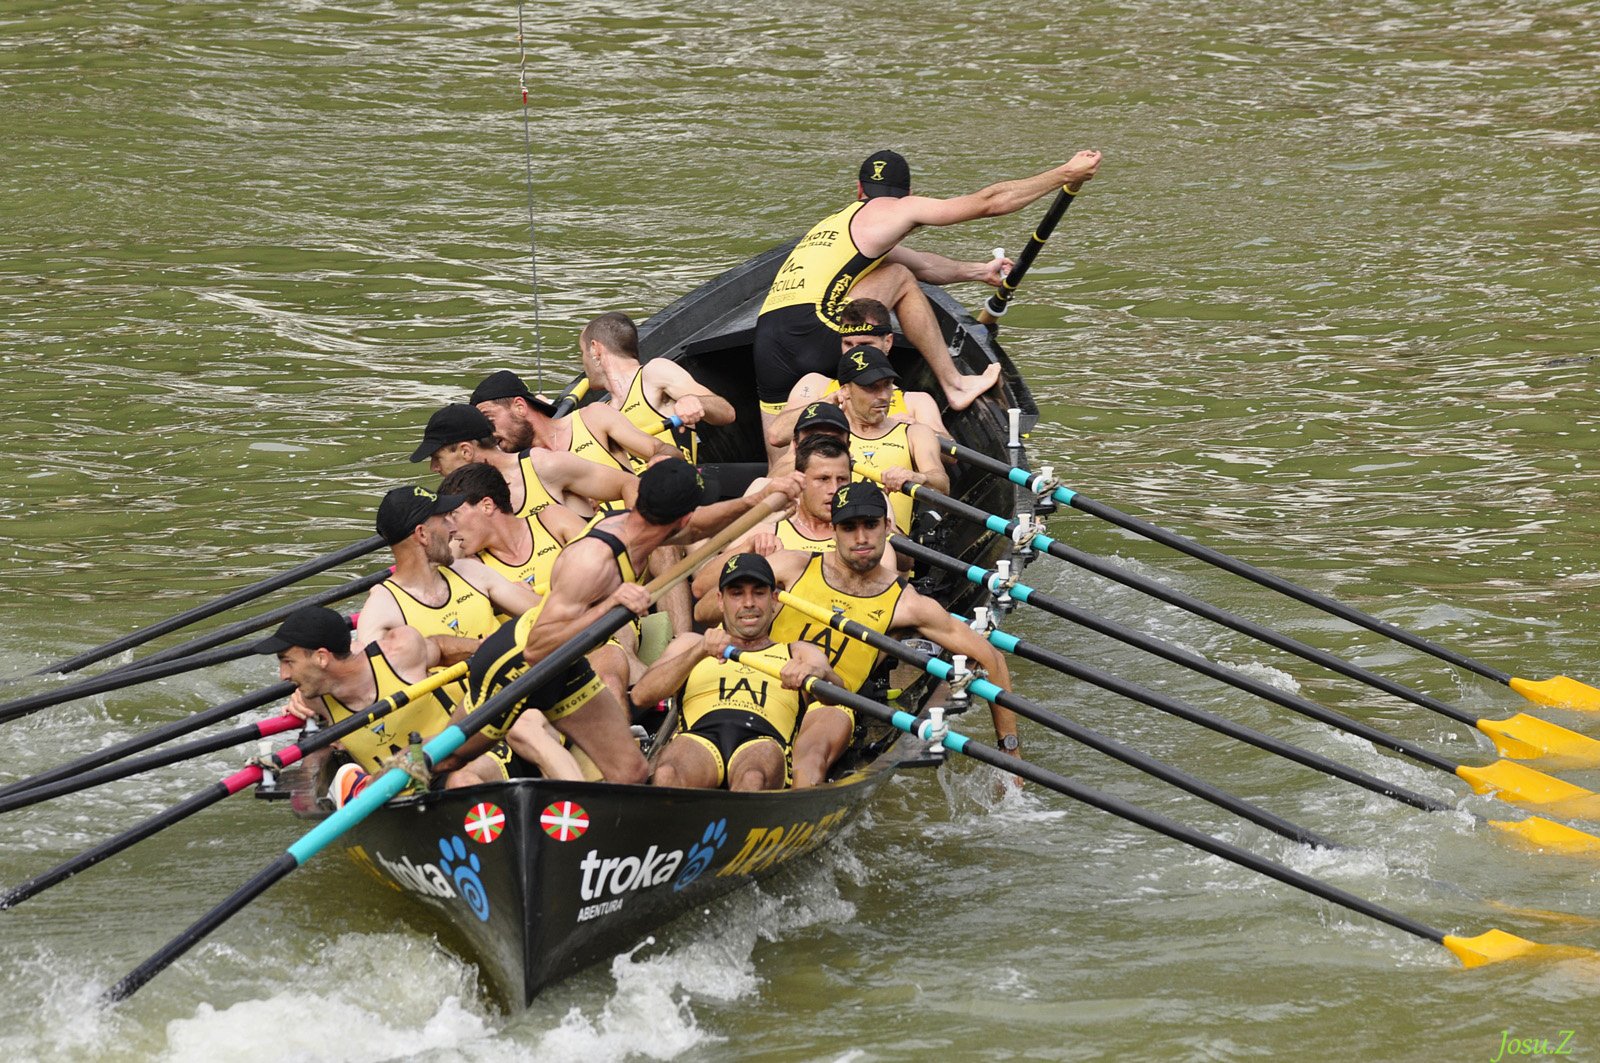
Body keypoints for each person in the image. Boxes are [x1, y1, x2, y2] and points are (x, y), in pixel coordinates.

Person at [751, 147, 1102, 433]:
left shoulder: (835, 226)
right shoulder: (898, 208)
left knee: (781, 460)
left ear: (858, 191)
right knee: (900, 275)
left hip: (767, 341)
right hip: (818, 331)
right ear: (908, 195)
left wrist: (980, 271)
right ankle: (956, 384)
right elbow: (990, 202)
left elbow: (927, 266)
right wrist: (1064, 175)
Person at [695, 483, 1018, 787]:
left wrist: (1010, 750)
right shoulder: (791, 566)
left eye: (870, 525)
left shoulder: (907, 604)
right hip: (762, 683)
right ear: (834, 531)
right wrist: (759, 599)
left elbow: (991, 659)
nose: (860, 537)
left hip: (830, 700)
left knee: (811, 757)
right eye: (849, 527)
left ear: (887, 527)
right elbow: (705, 610)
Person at [518, 459, 802, 783]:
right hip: (523, 661)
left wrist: (757, 500)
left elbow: (699, 527)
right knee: (454, 757)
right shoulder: (592, 562)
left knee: (635, 772)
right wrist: (610, 604)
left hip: (572, 654)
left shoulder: (641, 526)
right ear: (680, 518)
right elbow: (535, 648)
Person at [254, 606, 567, 795]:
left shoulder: (399, 651)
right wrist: (305, 777)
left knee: (519, 728)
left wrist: (487, 652)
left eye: (288, 661)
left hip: (470, 755)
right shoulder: (314, 698)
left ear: (322, 657)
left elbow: (442, 648)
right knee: (459, 781)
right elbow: (315, 755)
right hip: (412, 791)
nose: (282, 675)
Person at [439, 461, 637, 708]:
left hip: (593, 631)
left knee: (607, 677)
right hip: (537, 655)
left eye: (453, 516)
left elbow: (611, 573)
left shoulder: (552, 520)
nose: (449, 529)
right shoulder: (471, 567)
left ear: (487, 505)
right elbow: (440, 570)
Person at [637, 554, 838, 791]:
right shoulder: (691, 643)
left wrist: (816, 674)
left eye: (759, 593)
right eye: (737, 593)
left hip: (763, 740)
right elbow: (641, 695)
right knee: (667, 773)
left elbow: (837, 692)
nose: (748, 603)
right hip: (699, 738)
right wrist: (697, 653)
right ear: (720, 601)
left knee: (753, 778)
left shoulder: (797, 652)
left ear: (774, 599)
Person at [354, 485, 541, 651]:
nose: (453, 527)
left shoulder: (472, 572)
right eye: (445, 520)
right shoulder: (381, 610)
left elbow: (544, 613)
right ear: (422, 535)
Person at [765, 297, 949, 459]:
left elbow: (952, 456)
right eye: (848, 344)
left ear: (888, 342)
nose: (855, 353)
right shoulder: (815, 385)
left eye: (865, 344)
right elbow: (776, 435)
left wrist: (916, 428)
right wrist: (824, 405)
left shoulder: (916, 402)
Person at [410, 402, 636, 518]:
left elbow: (632, 485)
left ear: (466, 451)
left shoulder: (543, 466)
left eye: (437, 457)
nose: (434, 467)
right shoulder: (459, 502)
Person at [580, 311, 735, 464]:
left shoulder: (653, 374)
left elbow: (727, 413)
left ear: (595, 349)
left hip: (674, 482)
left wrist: (696, 402)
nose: (582, 362)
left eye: (582, 352)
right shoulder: (599, 411)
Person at [471, 370, 679, 475]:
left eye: (489, 420)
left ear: (520, 407)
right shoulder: (514, 468)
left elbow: (663, 449)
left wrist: (661, 462)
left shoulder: (593, 419)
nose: (489, 433)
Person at [832, 347, 948, 534]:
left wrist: (917, 477)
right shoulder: (827, 432)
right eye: (871, 387)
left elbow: (942, 485)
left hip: (894, 549)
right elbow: (777, 438)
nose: (884, 396)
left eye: (887, 385)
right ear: (845, 390)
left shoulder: (915, 433)